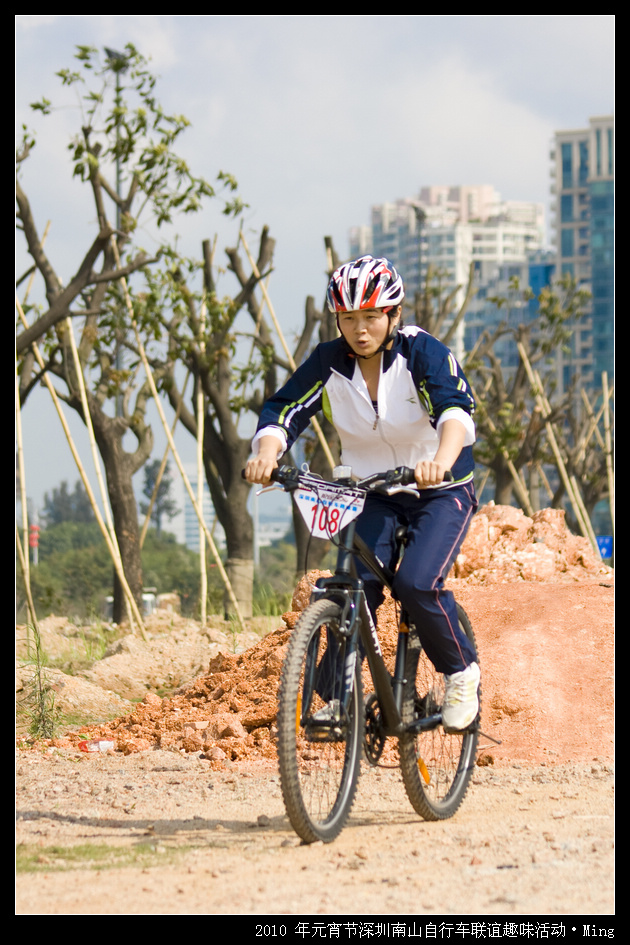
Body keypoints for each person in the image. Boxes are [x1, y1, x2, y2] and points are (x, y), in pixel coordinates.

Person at [244, 255, 480, 730]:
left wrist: (441, 460)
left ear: (393, 314)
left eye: (371, 316)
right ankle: (339, 695)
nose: (360, 328)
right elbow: (283, 411)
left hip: (439, 490)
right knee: (354, 588)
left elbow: (456, 412)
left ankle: (460, 672)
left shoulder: (422, 353)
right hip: (371, 491)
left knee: (415, 583)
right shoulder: (328, 362)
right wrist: (268, 453)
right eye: (349, 318)